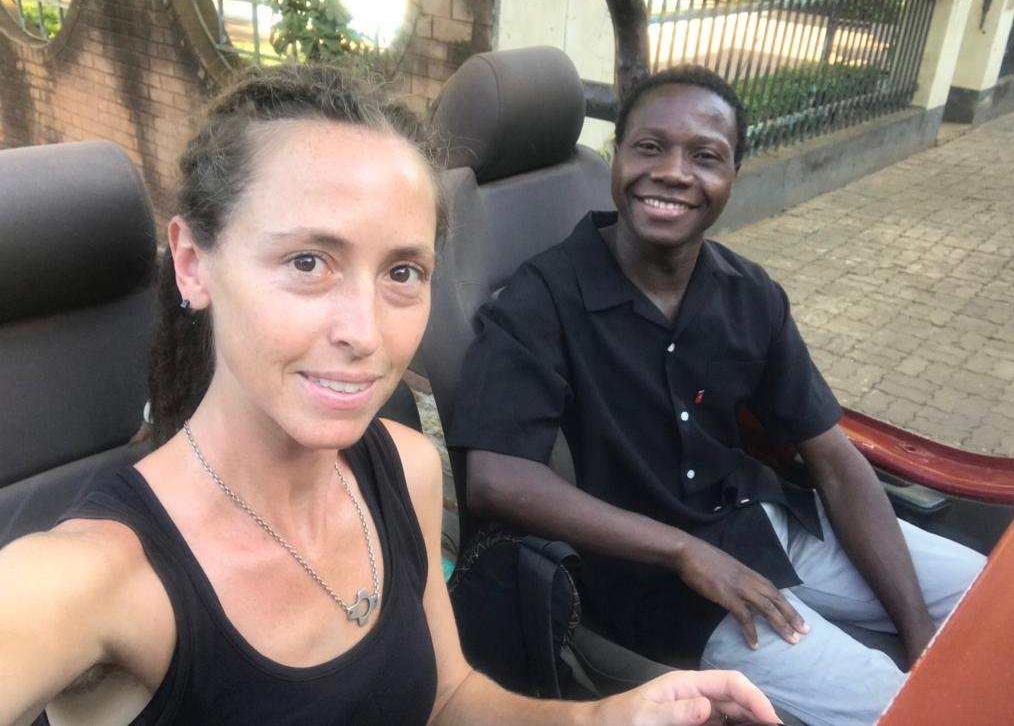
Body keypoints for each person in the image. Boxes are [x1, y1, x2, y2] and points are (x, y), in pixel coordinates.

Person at [0, 64, 779, 726]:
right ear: (193, 262)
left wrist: (608, 713)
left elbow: (449, 697)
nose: (365, 332)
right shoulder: (90, 578)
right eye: (309, 262)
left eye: (402, 272)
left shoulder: (405, 467)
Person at [447, 65, 986, 726]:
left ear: (733, 175)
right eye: (650, 147)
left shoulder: (747, 291)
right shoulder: (543, 299)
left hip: (766, 522)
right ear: (618, 156)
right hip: (655, 585)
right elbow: (495, 479)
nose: (674, 171)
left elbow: (835, 460)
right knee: (920, 708)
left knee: (997, 601)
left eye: (706, 155)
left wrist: (917, 630)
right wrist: (685, 549)